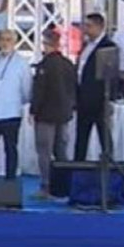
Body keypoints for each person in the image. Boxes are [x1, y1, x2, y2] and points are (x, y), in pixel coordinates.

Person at [30, 29, 76, 199]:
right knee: (61, 150)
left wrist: (33, 110)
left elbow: (40, 91)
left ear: (46, 44)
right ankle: (64, 186)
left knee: (44, 151)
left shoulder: (45, 65)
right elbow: (73, 88)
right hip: (64, 113)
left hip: (46, 114)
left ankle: (46, 185)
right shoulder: (68, 64)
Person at [0, 29, 31, 180]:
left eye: (9, 40)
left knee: (10, 148)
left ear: (15, 43)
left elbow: (26, 88)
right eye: (2, 39)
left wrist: (19, 102)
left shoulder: (22, 63)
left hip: (11, 112)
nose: (5, 43)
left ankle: (10, 180)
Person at [74, 13, 116, 161]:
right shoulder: (86, 46)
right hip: (83, 98)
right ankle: (78, 164)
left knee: (104, 135)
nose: (85, 29)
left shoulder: (108, 46)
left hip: (99, 99)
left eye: (89, 26)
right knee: (81, 136)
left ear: (100, 27)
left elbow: (111, 75)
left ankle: (108, 163)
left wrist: (109, 98)